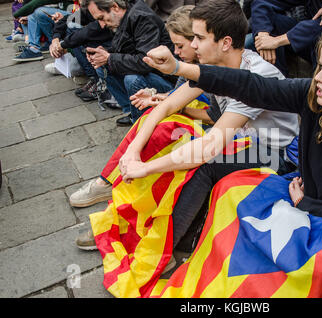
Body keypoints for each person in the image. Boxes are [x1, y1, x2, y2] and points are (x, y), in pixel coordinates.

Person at [145, 22, 322, 231]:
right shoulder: (314, 95)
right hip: (306, 196)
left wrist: (304, 203)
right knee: (237, 209)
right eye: (319, 67)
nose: (318, 78)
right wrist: (179, 67)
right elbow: (251, 86)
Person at [75, 0, 298, 252]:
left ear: (225, 43)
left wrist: (145, 168)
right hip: (242, 141)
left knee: (201, 163)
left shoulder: (258, 75)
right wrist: (133, 151)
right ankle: (127, 213)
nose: (192, 45)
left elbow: (210, 147)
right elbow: (166, 106)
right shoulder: (216, 65)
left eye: (199, 38)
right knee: (165, 129)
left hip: (275, 155)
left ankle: (163, 248)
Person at [69, 4, 213, 210]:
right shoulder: (198, 62)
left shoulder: (211, 65)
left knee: (161, 120)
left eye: (180, 46)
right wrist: (157, 97)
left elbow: (216, 117)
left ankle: (118, 180)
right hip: (208, 121)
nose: (176, 51)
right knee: (152, 117)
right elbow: (178, 95)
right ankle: (114, 177)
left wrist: (168, 101)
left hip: (228, 138)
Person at [83, 0, 176, 126]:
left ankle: (141, 123)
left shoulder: (142, 18)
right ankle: (132, 111)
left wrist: (110, 57)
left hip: (169, 82)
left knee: (132, 79)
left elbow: (145, 62)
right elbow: (127, 51)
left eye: (102, 18)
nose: (102, 24)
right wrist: (104, 53)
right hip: (154, 73)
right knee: (102, 66)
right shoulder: (125, 16)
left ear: (115, 7)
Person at [248, 0, 322, 77]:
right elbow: (262, 2)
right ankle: (278, 79)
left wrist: (278, 40)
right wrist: (263, 35)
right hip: (309, 39)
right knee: (268, 24)